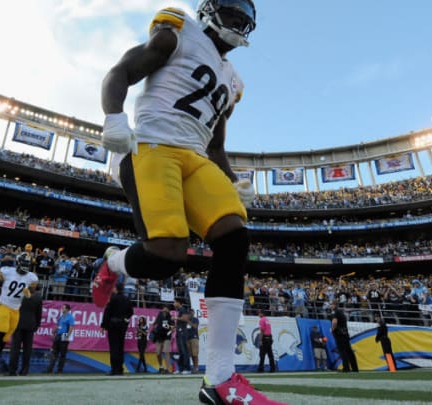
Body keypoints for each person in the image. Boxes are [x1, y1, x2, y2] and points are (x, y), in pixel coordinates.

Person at [92, 1, 282, 403]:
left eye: (243, 18)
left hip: (197, 158)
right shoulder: (179, 31)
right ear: (210, 10)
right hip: (153, 145)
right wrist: (113, 115)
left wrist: (232, 179)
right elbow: (122, 71)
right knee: (165, 257)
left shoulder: (233, 79)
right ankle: (111, 262)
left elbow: (215, 142)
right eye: (231, 13)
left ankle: (219, 379)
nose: (238, 22)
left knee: (235, 238)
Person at [0, 253, 39, 376]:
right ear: (18, 263)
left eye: (27, 264)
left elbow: (32, 292)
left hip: (16, 310)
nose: (25, 267)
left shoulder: (31, 277)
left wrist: (28, 294)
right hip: (4, 305)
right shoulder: (7, 272)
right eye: (23, 264)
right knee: (2, 330)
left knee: (5, 338)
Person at [8, 285, 43, 376]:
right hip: (30, 325)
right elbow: (39, 314)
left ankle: (12, 370)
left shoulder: (19, 295)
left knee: (15, 348)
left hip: (17, 324)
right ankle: (25, 370)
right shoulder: (38, 298)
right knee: (27, 349)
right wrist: (37, 325)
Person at [101, 283, 134, 375]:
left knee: (114, 347)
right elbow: (131, 312)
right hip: (122, 326)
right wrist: (125, 320)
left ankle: (114, 369)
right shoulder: (127, 299)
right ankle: (120, 369)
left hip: (113, 325)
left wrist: (103, 325)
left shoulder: (113, 299)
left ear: (116, 289)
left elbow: (107, 312)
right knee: (120, 347)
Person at [47, 303, 75, 374]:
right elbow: (58, 325)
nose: (62, 309)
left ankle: (59, 370)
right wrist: (53, 332)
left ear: (68, 309)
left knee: (62, 354)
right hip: (58, 336)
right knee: (54, 353)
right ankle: (50, 369)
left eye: (64, 308)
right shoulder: (61, 317)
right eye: (62, 308)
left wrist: (67, 336)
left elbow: (71, 328)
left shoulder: (70, 317)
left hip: (64, 336)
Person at [332, 304, 358, 372]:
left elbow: (334, 322)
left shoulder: (336, 313)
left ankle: (346, 368)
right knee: (349, 351)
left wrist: (332, 329)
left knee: (342, 352)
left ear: (334, 305)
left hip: (339, 334)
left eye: (331, 305)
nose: (330, 306)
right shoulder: (342, 313)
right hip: (345, 334)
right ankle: (355, 368)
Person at [152, 304, 174, 374]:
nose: (164, 310)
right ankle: (161, 367)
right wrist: (154, 327)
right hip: (159, 336)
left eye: (166, 309)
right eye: (163, 308)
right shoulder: (159, 315)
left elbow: (173, 328)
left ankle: (168, 369)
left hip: (167, 337)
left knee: (166, 351)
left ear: (168, 310)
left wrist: (168, 329)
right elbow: (154, 324)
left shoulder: (170, 317)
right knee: (158, 353)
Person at [173, 298, 192, 374]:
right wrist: (174, 327)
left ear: (179, 303)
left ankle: (187, 369)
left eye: (174, 302)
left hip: (183, 332)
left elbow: (185, 319)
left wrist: (176, 318)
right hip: (179, 331)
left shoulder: (183, 309)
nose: (173, 304)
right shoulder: (180, 310)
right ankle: (181, 368)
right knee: (180, 351)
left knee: (184, 350)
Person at [187, 308, 201, 373]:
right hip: (187, 338)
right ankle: (193, 368)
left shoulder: (195, 319)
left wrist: (188, 321)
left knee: (195, 354)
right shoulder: (186, 319)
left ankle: (196, 368)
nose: (191, 314)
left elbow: (195, 326)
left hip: (194, 338)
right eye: (190, 313)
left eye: (192, 313)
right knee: (190, 354)